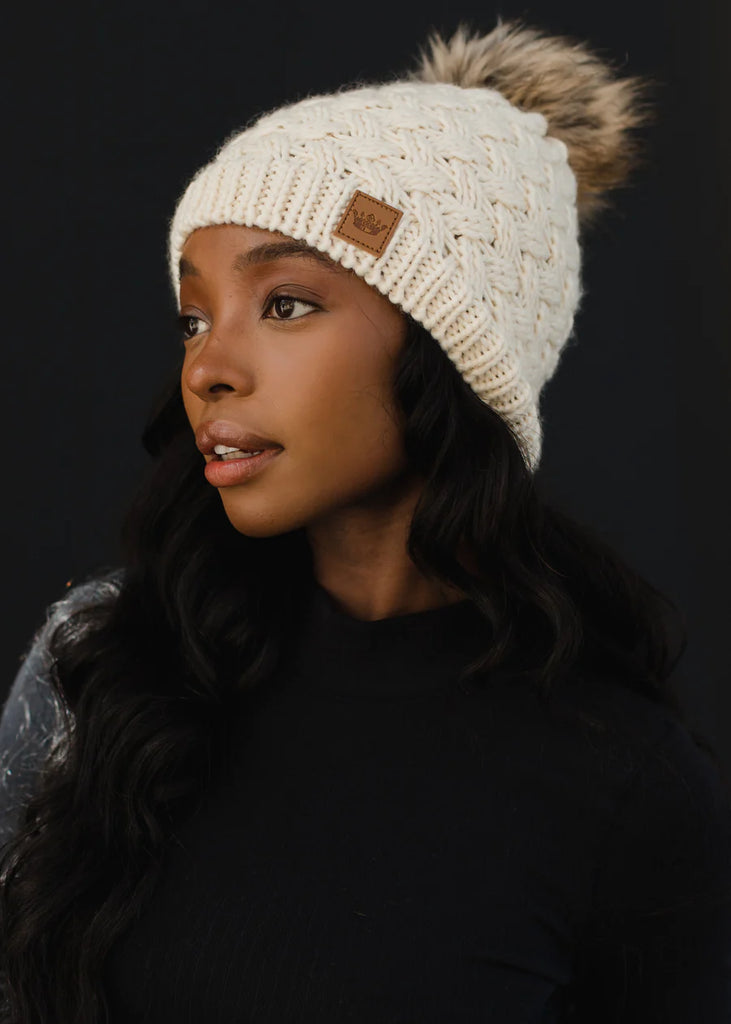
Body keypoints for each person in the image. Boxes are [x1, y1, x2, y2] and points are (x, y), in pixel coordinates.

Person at [1, 17, 730, 1024]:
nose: (208, 368)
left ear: (451, 350)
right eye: (194, 317)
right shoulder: (104, 669)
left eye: (286, 304)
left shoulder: (623, 781)